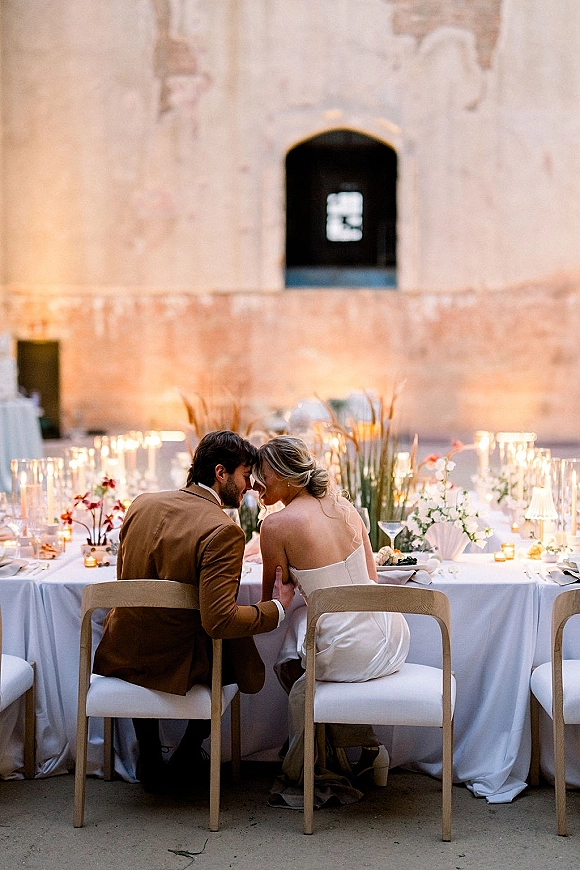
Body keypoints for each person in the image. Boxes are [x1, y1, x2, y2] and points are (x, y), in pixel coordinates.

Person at [93, 430, 294, 793]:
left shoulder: (142, 503)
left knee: (154, 628)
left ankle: (150, 754)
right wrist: (276, 609)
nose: (249, 485)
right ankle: (187, 751)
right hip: (176, 662)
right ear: (221, 473)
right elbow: (219, 620)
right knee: (235, 651)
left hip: (123, 648)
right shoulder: (222, 530)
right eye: (246, 474)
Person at [253, 435, 410, 809]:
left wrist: (288, 590)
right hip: (392, 635)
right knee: (299, 641)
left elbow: (269, 605)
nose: (256, 485)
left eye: (261, 475)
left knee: (294, 666)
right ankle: (366, 750)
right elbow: (369, 581)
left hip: (351, 650)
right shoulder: (345, 506)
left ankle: (318, 762)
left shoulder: (276, 526)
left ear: (281, 473)